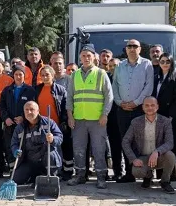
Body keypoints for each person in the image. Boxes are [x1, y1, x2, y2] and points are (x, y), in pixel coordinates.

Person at [66, 45, 113, 188]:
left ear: (94, 57)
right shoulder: (74, 75)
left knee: (99, 149)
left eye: (89, 56)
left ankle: (101, 177)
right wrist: (70, 116)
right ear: (80, 57)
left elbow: (109, 96)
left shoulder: (101, 74)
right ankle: (80, 175)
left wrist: (105, 114)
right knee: (78, 149)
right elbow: (70, 97)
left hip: (97, 120)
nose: (86, 58)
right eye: (83, 55)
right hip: (79, 119)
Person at [111, 39, 154, 182]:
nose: (132, 48)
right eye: (129, 46)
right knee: (126, 141)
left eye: (135, 46)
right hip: (122, 109)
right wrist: (119, 102)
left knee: (142, 142)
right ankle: (130, 173)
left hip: (139, 110)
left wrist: (136, 102)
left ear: (140, 49)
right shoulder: (120, 66)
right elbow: (115, 86)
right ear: (126, 49)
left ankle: (146, 173)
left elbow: (148, 86)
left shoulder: (147, 64)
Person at [121, 97, 176, 193]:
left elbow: (169, 142)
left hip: (159, 157)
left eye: (152, 105)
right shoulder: (135, 122)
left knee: (170, 156)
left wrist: (157, 152)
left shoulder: (165, 122)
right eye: (146, 105)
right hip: (143, 158)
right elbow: (125, 141)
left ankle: (165, 181)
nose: (149, 107)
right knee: (136, 172)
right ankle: (148, 176)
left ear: (157, 107)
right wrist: (133, 159)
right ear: (142, 107)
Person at [11, 101, 63, 185]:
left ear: (38, 111)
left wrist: (53, 139)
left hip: (46, 157)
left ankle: (53, 177)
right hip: (30, 160)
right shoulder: (20, 128)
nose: (29, 112)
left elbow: (59, 137)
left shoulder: (49, 123)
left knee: (51, 154)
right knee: (16, 179)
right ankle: (35, 177)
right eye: (26, 110)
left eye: (32, 109)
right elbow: (14, 143)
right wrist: (15, 150)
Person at [153, 53, 176, 181]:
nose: (165, 64)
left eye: (167, 61)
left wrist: (171, 116)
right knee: (158, 145)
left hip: (170, 118)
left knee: (169, 146)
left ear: (171, 63)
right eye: (162, 61)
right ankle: (159, 175)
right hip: (157, 115)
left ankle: (170, 177)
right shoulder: (157, 77)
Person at [36, 65, 70, 178]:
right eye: (43, 75)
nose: (45, 77)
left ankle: (59, 172)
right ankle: (44, 172)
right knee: (42, 150)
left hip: (55, 124)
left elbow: (65, 107)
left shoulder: (60, 90)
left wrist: (64, 121)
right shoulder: (37, 89)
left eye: (47, 75)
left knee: (56, 149)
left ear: (53, 75)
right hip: (40, 124)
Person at [0, 67, 37, 162]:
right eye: (16, 74)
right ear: (13, 76)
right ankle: (12, 170)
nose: (18, 77)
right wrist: (6, 118)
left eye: (21, 74)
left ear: (24, 76)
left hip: (24, 125)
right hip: (9, 124)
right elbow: (1, 106)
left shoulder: (30, 90)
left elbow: (34, 107)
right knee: (10, 146)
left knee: (24, 146)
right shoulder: (7, 90)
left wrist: (24, 118)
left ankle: (22, 168)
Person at [100, 49, 123, 180]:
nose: (113, 68)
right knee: (106, 145)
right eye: (111, 66)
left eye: (116, 66)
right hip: (106, 115)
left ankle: (121, 172)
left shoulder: (124, 79)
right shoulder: (105, 78)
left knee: (120, 144)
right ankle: (110, 172)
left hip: (121, 115)